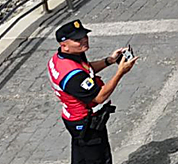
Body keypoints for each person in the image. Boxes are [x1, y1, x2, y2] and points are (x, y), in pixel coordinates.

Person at [47, 19, 137, 164]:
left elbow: (87, 70)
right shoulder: (72, 76)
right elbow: (99, 97)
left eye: (84, 36)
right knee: (99, 159)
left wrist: (110, 60)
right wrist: (121, 72)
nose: (84, 41)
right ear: (64, 45)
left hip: (74, 119)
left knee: (81, 158)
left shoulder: (63, 57)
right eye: (77, 40)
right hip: (86, 123)